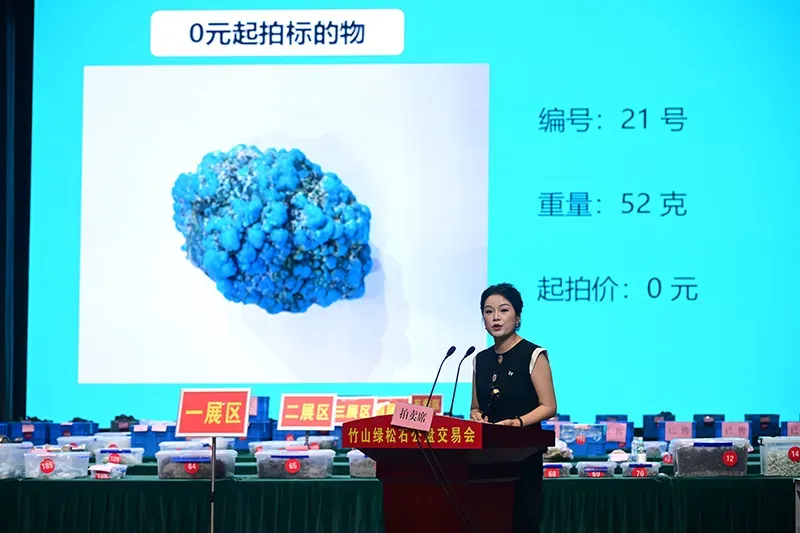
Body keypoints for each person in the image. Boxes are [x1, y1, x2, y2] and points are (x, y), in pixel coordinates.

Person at [470, 282, 557, 533]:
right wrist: (477, 416)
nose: (496, 317)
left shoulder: (533, 354)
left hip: (523, 456)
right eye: (488, 311)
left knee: (521, 522)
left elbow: (549, 406)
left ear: (517, 317)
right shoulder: (480, 359)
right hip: (487, 458)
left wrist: (516, 423)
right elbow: (475, 407)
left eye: (504, 310)